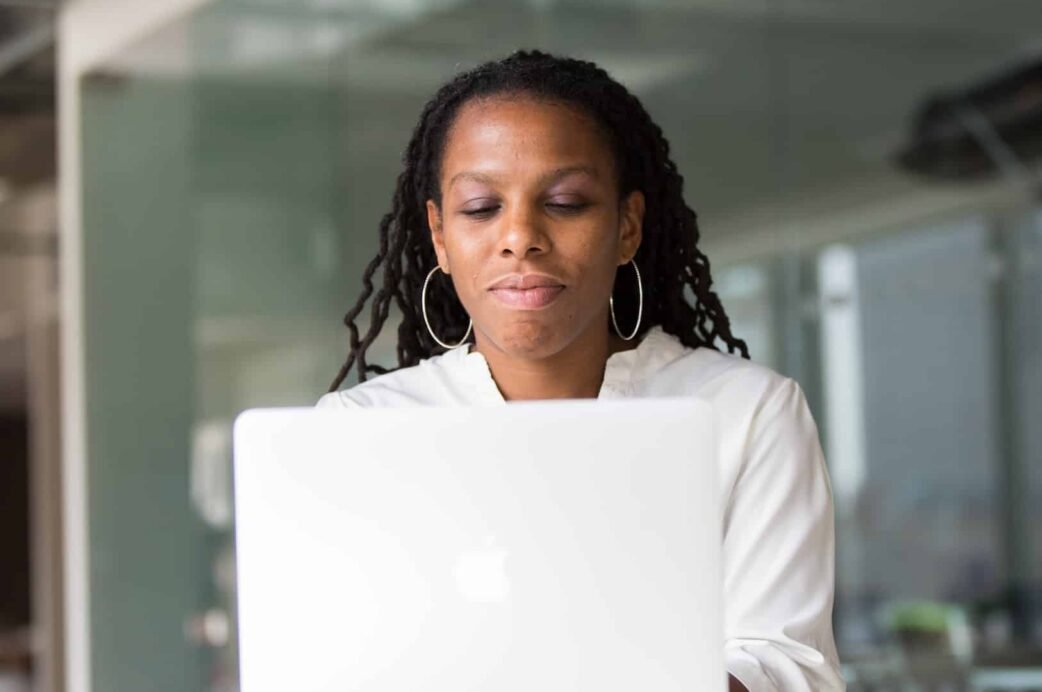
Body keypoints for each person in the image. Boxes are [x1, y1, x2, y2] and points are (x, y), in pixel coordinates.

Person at [316, 49, 844, 692]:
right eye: (482, 208)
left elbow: (787, 670)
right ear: (440, 237)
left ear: (627, 227)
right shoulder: (358, 432)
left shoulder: (743, 414)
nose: (521, 236)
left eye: (565, 202)